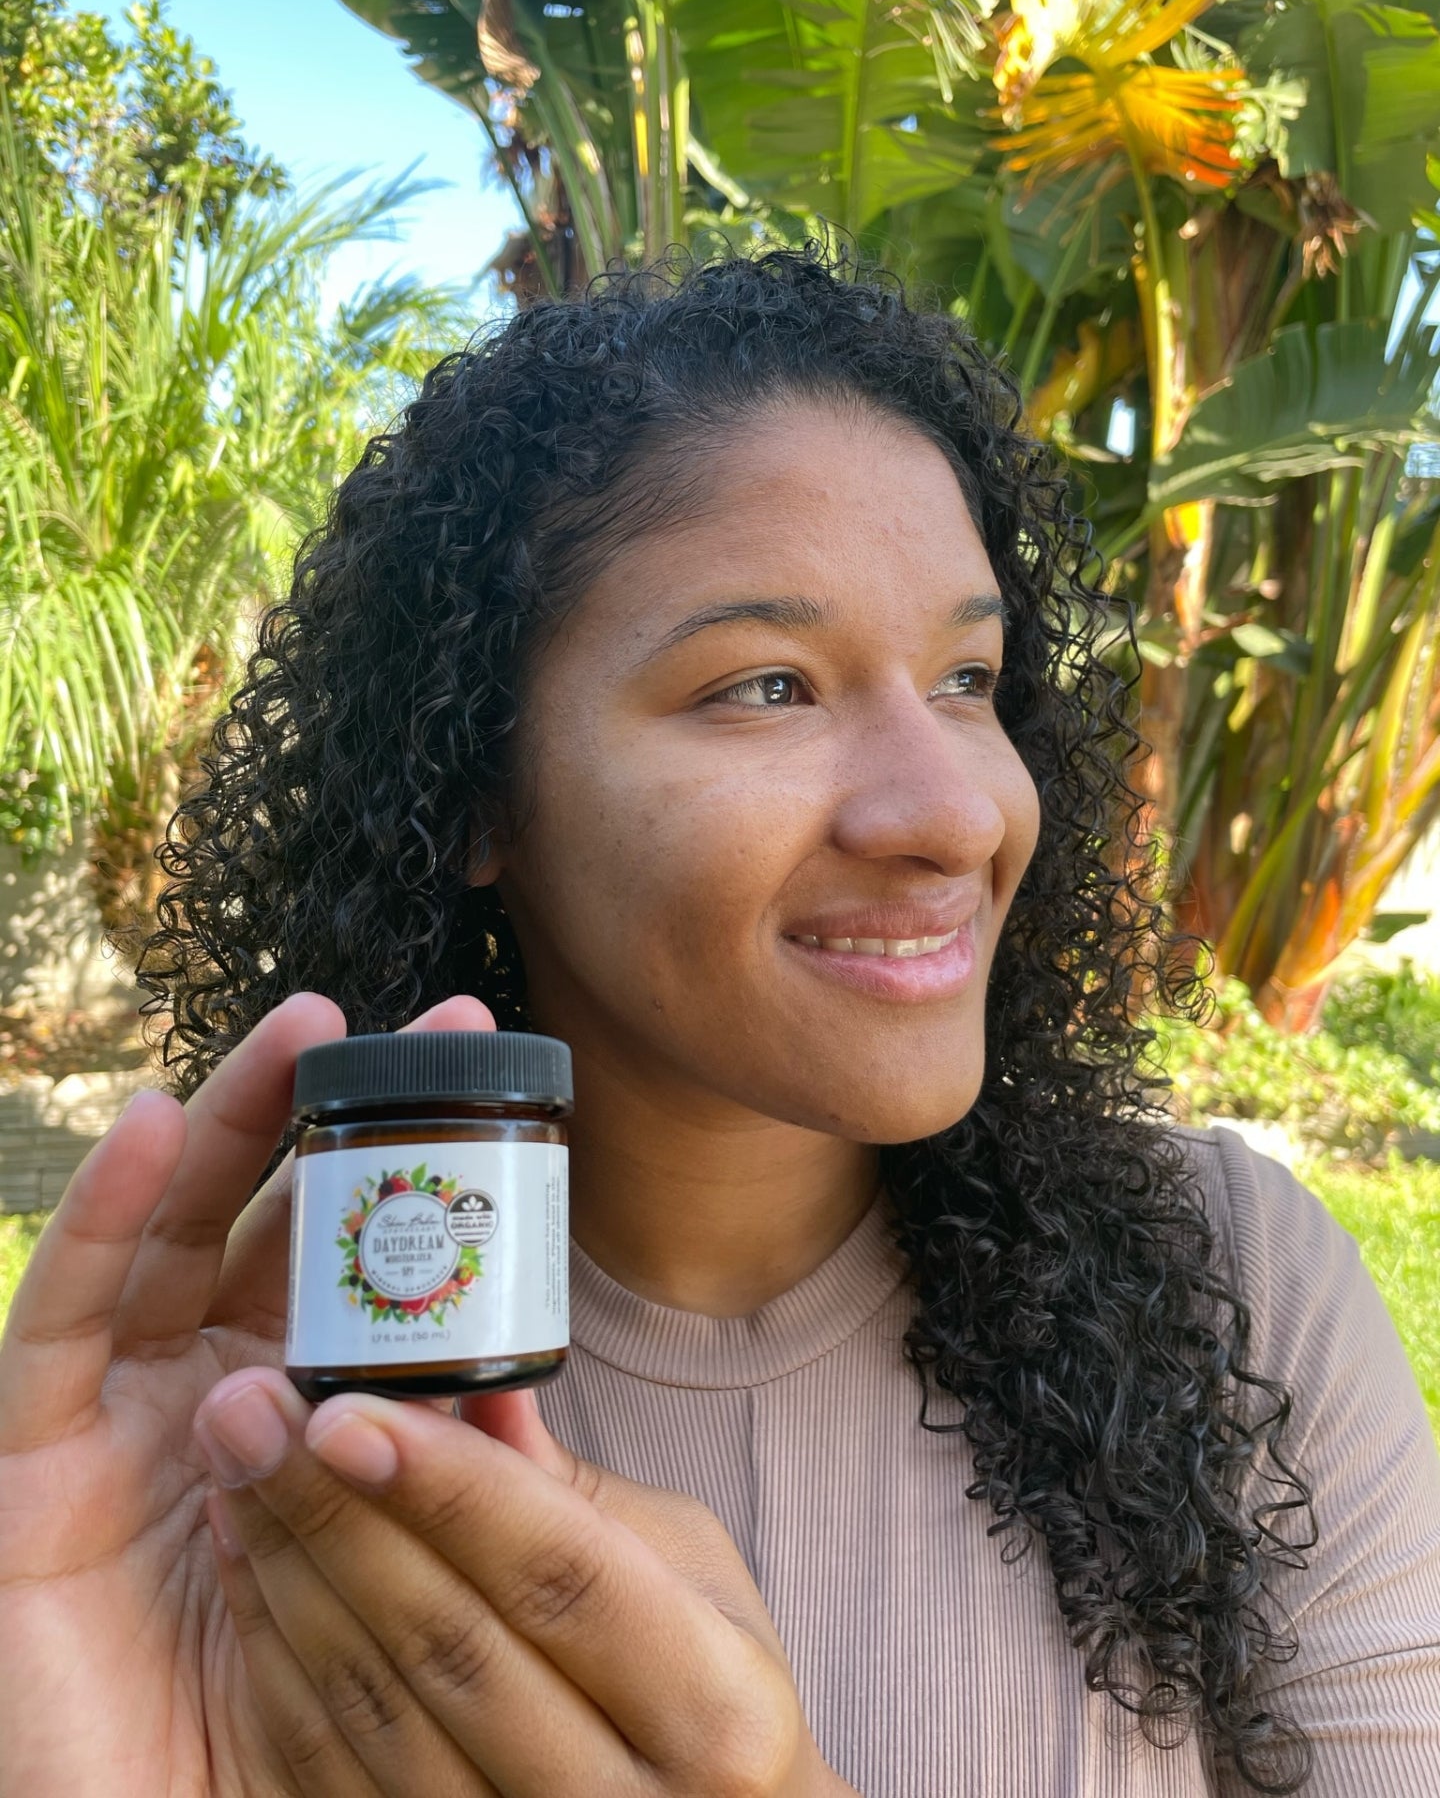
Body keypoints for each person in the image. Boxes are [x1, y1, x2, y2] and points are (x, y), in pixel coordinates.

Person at [1, 248, 1436, 1798]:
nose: (953, 811)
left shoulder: (1236, 1287)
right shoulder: (280, 1399)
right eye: (767, 686)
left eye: (969, 677)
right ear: (477, 789)